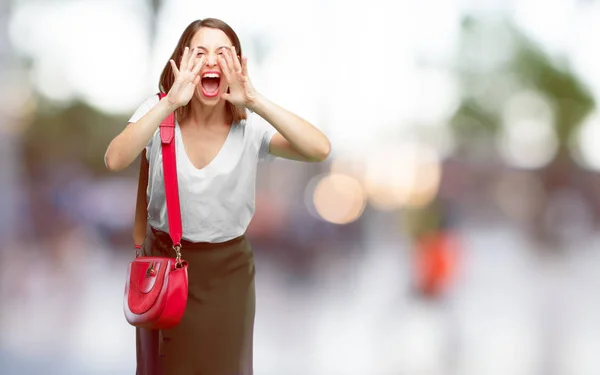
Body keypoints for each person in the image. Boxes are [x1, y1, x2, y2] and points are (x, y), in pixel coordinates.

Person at [104, 18, 330, 375]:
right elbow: (115, 158)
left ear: (237, 66)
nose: (212, 60)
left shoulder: (249, 128)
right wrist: (167, 104)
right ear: (182, 61)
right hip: (163, 267)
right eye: (200, 52)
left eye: (223, 53)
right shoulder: (157, 111)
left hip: (228, 273)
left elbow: (318, 149)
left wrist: (255, 100)